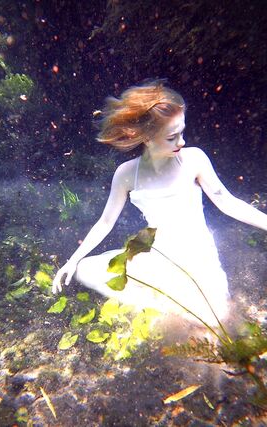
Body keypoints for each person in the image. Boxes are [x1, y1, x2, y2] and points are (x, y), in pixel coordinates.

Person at [52, 80, 267, 326]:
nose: (181, 142)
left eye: (182, 133)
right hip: (158, 257)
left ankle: (171, 313)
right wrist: (72, 260)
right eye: (172, 137)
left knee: (213, 319)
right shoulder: (126, 174)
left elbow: (228, 203)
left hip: (198, 256)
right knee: (84, 270)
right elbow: (105, 222)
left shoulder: (194, 160)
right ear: (144, 136)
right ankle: (160, 312)